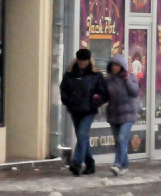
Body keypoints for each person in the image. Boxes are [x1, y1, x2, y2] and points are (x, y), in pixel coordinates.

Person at [59, 48, 108, 176]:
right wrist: (68, 101)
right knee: (83, 137)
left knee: (81, 134)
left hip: (89, 110)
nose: (82, 63)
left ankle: (77, 163)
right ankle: (90, 164)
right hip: (75, 109)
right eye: (80, 61)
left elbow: (104, 93)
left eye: (84, 61)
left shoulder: (96, 75)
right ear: (77, 60)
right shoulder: (70, 74)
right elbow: (63, 89)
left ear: (88, 60)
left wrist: (95, 102)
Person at [105, 54, 140, 176]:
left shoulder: (131, 77)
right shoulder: (108, 80)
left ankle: (117, 164)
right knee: (119, 141)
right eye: (113, 65)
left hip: (128, 114)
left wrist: (127, 80)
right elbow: (105, 95)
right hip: (114, 114)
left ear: (122, 66)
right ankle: (125, 165)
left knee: (121, 138)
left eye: (117, 65)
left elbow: (135, 92)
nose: (115, 67)